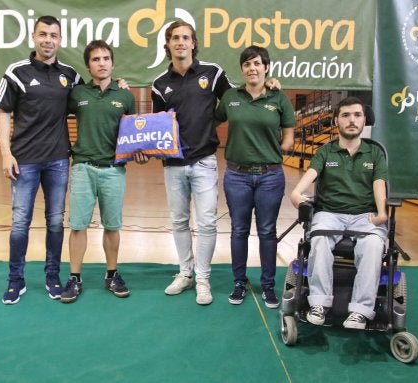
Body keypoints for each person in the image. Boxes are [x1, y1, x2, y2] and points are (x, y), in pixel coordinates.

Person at [0, 15, 82, 305]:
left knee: (55, 222)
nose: (48, 40)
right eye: (43, 34)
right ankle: (15, 280)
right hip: (24, 162)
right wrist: (6, 153)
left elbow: (91, 95)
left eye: (54, 35)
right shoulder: (17, 71)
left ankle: (52, 276)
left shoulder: (69, 75)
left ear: (60, 40)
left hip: (58, 160)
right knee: (20, 223)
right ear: (34, 36)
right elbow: (3, 113)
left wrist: (117, 82)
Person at [150, 21, 234, 305]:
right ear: (168, 44)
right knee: (179, 221)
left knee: (208, 222)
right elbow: (157, 126)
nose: (181, 42)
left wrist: (268, 84)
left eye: (186, 37)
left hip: (204, 161)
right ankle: (185, 273)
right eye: (175, 38)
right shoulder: (159, 84)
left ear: (193, 43)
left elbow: (235, 100)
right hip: (173, 165)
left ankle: (203, 279)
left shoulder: (212, 73)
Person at [289, 96, 388, 329]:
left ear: (365, 120)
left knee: (373, 245)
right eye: (345, 115)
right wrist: (296, 192)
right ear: (336, 121)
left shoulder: (374, 153)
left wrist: (381, 212)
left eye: (357, 115)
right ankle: (319, 304)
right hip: (329, 212)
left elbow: (379, 183)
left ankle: (361, 311)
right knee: (320, 239)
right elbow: (311, 174)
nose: (351, 120)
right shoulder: (326, 151)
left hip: (365, 214)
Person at [215, 45, 296, 308]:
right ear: (242, 69)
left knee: (267, 232)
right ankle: (239, 282)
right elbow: (209, 120)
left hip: (270, 177)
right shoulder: (230, 97)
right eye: (247, 64)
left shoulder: (278, 98)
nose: (252, 68)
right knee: (238, 230)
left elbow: (289, 137)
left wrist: (274, 149)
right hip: (236, 176)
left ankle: (268, 285)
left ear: (266, 68)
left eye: (257, 64)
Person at [60, 40, 136, 303]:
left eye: (106, 58)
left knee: (112, 226)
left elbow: (134, 134)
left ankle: (112, 274)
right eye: (96, 59)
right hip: (82, 167)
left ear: (112, 63)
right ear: (88, 65)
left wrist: (140, 151)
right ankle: (74, 277)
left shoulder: (125, 96)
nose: (102, 63)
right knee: (77, 226)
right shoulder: (78, 94)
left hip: (114, 170)